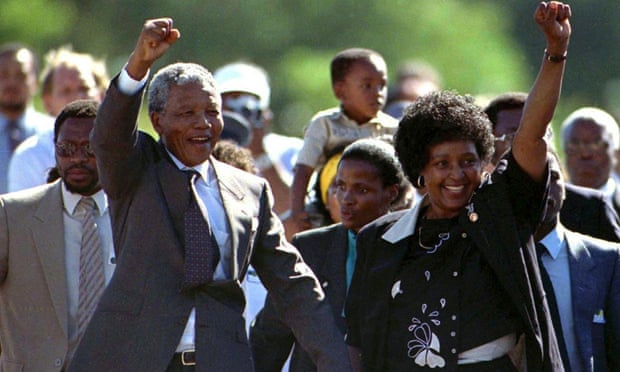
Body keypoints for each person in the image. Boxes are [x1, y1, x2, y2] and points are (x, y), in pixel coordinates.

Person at [68, 19, 351, 371]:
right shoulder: (136, 169)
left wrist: (338, 362)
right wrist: (138, 66)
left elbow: (293, 284)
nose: (203, 124)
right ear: (157, 121)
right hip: (134, 358)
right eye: (187, 113)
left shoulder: (249, 190)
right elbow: (108, 136)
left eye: (212, 112)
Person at [345, 2, 571, 370]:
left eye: (468, 162)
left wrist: (555, 53)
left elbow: (530, 138)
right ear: (420, 170)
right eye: (442, 164)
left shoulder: (502, 210)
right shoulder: (380, 239)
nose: (456, 174)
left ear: (483, 162)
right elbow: (358, 337)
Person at [251, 138, 405, 372]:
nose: (346, 199)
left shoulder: (412, 248)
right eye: (340, 186)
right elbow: (270, 335)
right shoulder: (310, 247)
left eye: (361, 189)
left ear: (391, 193)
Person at [0, 99, 115, 370]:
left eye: (89, 148)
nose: (77, 158)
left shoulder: (135, 213)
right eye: (66, 148)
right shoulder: (12, 215)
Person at [484, 92, 620, 242]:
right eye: (515, 137)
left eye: (540, 135)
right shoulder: (474, 207)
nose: (531, 145)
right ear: (489, 146)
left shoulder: (590, 209)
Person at [291, 47, 398, 234]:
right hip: (330, 211)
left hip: (383, 212)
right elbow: (303, 169)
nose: (378, 93)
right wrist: (298, 210)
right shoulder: (325, 124)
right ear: (341, 91)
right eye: (367, 86)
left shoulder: (393, 128)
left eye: (382, 85)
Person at [534, 148, 620, 371]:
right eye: (534, 179)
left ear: (565, 188)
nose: (545, 188)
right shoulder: (495, 260)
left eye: (553, 177)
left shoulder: (609, 260)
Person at [8, 46, 108, 192]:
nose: (78, 98)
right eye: (65, 91)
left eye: (84, 88)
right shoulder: (30, 156)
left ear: (102, 95)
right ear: (47, 102)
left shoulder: (120, 148)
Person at [214, 61, 303, 217]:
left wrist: (260, 154)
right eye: (229, 107)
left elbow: (293, 212)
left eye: (246, 108)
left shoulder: (290, 151)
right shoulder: (199, 150)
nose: (239, 117)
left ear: (265, 114)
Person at [0, 43, 52, 193]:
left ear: (35, 82)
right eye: (3, 75)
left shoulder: (53, 132)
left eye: (20, 75)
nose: (11, 83)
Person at [560, 107, 620, 216]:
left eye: (596, 144)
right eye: (574, 144)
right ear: (564, 151)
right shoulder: (549, 209)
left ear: (615, 153)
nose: (585, 154)